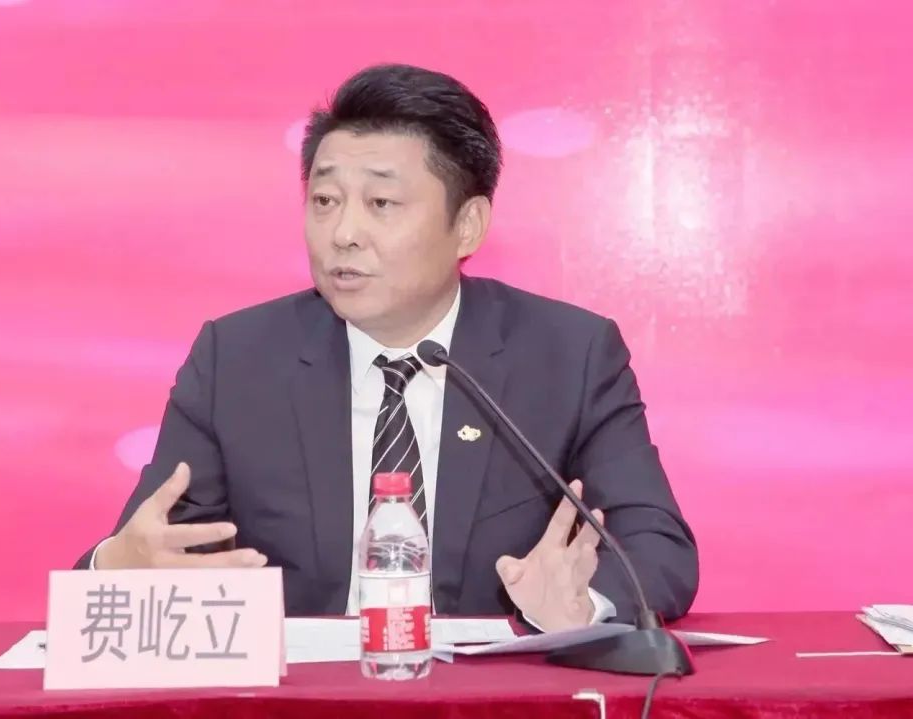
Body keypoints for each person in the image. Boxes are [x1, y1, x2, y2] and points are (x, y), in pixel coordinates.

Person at [75, 63, 698, 631]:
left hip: (491, 695)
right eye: (325, 201)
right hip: (305, 696)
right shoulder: (236, 359)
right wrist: (114, 566)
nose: (343, 233)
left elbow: (656, 546)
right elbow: (154, 548)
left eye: (381, 203)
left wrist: (580, 605)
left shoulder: (569, 354)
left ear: (467, 225)